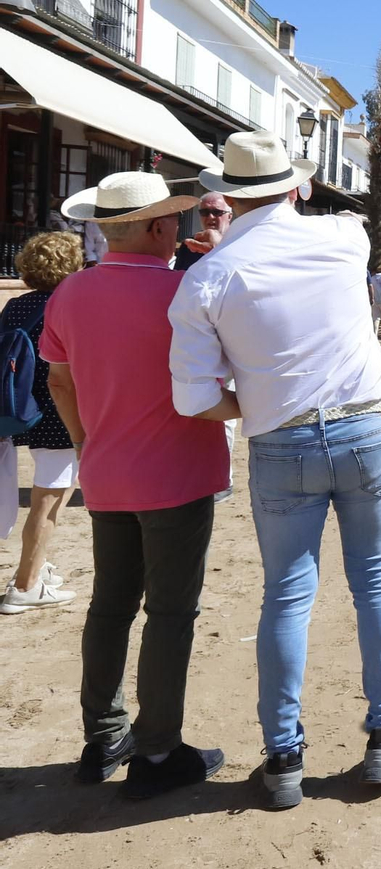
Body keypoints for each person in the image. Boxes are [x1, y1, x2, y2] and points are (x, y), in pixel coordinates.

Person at [170, 130, 381, 809]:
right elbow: (336, 230)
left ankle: (282, 757)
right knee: (375, 579)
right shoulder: (345, 237)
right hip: (366, 422)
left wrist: (254, 397)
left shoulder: (206, 279)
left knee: (286, 595)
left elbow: (193, 400)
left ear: (227, 196)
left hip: (279, 440)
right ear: (296, 185)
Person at [47, 171, 230, 797]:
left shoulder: (69, 294)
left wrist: (83, 441)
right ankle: (156, 753)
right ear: (158, 227)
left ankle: (103, 738)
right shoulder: (185, 293)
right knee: (170, 614)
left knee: (110, 606)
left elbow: (59, 381)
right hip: (177, 474)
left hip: (106, 471)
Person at [0, 233, 83, 615]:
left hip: (14, 407)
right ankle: (25, 585)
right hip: (55, 411)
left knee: (40, 500)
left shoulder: (16, 306)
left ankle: (36, 566)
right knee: (48, 502)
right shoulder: (71, 307)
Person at [172, 192, 231, 270]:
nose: (210, 217)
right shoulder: (189, 246)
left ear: (229, 216)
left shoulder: (238, 242)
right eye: (204, 212)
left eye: (217, 212)